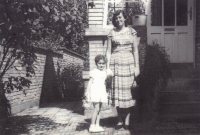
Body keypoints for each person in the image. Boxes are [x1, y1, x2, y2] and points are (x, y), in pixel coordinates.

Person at [106, 10, 140, 130]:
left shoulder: (132, 32)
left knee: (128, 93)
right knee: (118, 93)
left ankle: (127, 119)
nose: (118, 20)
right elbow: (108, 52)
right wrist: (107, 68)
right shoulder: (111, 33)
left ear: (125, 18)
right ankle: (120, 119)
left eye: (120, 17)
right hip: (116, 65)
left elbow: (135, 50)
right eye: (116, 18)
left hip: (129, 64)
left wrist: (137, 67)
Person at [85, 54, 109, 132]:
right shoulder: (94, 72)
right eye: (99, 63)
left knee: (99, 109)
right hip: (95, 91)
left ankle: (97, 125)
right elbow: (90, 82)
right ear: (96, 63)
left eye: (103, 63)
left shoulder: (105, 73)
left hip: (101, 91)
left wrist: (106, 92)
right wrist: (87, 91)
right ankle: (92, 126)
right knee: (96, 109)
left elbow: (104, 83)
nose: (101, 65)